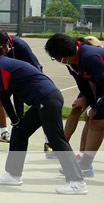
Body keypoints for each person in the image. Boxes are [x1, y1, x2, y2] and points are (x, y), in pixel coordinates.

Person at [0, 47, 87, 195]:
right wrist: (17, 121)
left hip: (47, 99)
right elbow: (14, 94)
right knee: (20, 131)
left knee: (56, 139)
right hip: (44, 99)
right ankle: (13, 174)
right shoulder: (4, 64)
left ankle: (77, 181)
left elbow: (3, 97)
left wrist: (15, 119)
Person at [0, 30, 55, 157]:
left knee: (43, 114)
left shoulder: (21, 46)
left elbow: (37, 67)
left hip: (30, 85)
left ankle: (49, 142)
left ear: (7, 44)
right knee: (17, 122)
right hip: (8, 82)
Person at [45, 33, 104, 178]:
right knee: (91, 118)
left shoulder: (89, 57)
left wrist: (95, 105)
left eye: (56, 58)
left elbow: (101, 83)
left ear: (63, 55)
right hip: (99, 87)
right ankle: (85, 163)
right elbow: (83, 83)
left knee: (98, 122)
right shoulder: (72, 61)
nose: (58, 61)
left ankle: (84, 165)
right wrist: (91, 104)